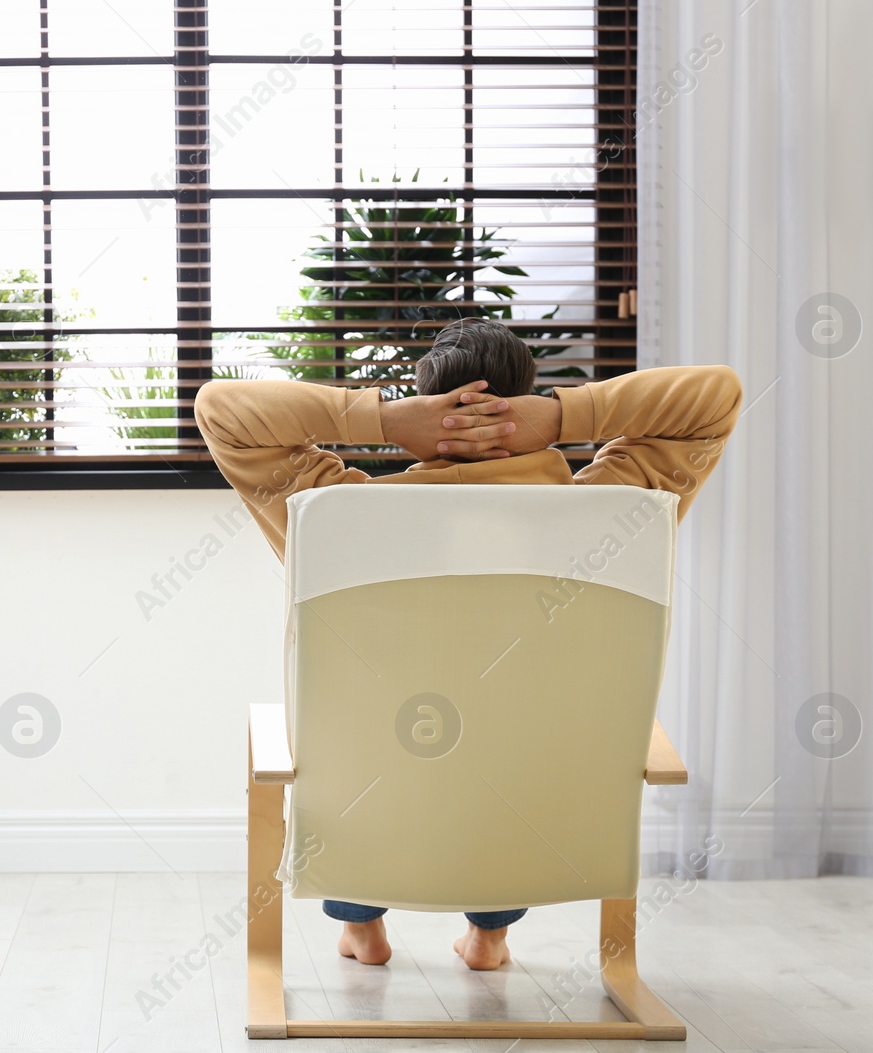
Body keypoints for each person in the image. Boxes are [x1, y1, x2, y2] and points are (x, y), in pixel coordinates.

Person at [195, 317, 742, 971]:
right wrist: (563, 416)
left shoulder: (333, 517)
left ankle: (361, 925)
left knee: (366, 730)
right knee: (512, 726)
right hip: (528, 812)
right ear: (531, 402)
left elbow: (219, 409)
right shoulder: (616, 514)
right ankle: (490, 934)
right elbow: (719, 395)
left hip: (381, 800)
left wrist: (390, 421)